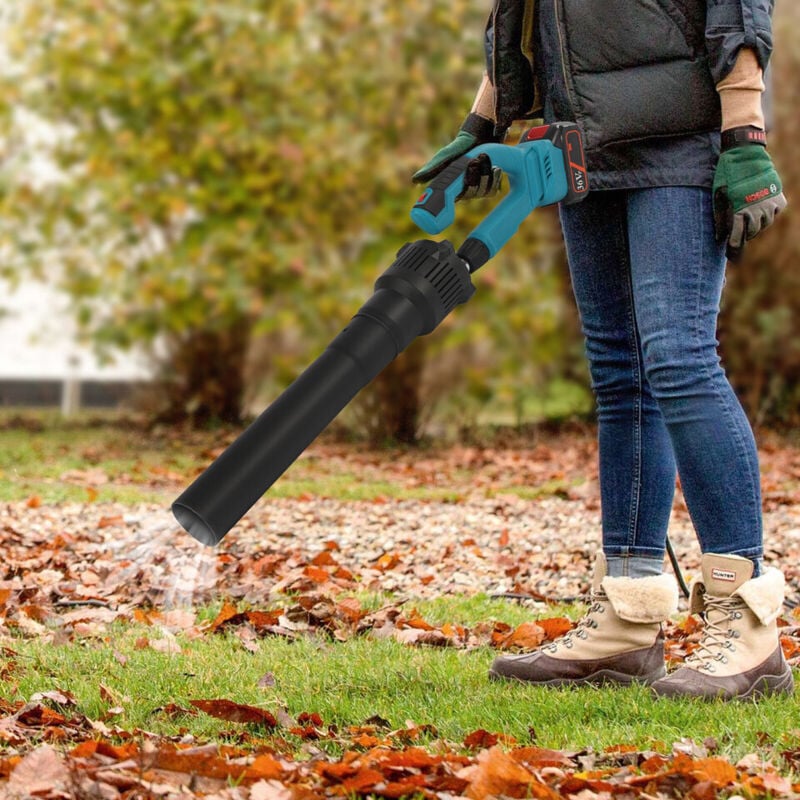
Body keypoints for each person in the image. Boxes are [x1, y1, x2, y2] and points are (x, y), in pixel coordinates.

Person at [413, 0, 793, 700]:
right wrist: (481, 125)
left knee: (678, 358)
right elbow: (521, 16)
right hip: (581, 146)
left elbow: (735, 8)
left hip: (680, 138)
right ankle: (628, 616)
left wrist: (745, 132)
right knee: (622, 375)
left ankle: (748, 628)